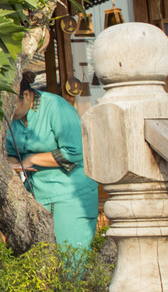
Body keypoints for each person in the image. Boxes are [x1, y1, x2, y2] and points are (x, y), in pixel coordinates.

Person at [5, 72, 99, 254]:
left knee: (70, 259)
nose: (8, 110)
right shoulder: (12, 118)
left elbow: (74, 152)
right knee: (42, 264)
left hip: (70, 194)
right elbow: (10, 152)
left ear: (25, 95)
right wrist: (13, 163)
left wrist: (32, 159)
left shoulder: (56, 107)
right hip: (36, 195)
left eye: (12, 104)